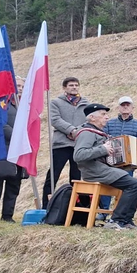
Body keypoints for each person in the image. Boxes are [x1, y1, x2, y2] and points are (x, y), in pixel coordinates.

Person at [73, 103, 137, 230]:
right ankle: (116, 220)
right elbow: (78, 155)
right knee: (134, 185)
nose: (107, 117)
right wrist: (103, 149)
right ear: (92, 118)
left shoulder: (100, 133)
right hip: (94, 171)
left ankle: (126, 220)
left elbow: (108, 158)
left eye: (106, 114)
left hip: (103, 170)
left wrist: (134, 157)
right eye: (103, 114)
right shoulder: (86, 132)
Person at [0, 77, 26, 222]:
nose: (19, 88)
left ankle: (7, 216)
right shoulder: (0, 104)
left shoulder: (23, 105)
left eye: (22, 86)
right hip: (2, 149)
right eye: (17, 85)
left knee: (14, 185)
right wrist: (17, 136)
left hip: (19, 150)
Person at [97, 96, 137, 218]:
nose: (125, 107)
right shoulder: (109, 123)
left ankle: (120, 213)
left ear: (132, 108)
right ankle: (103, 212)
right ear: (118, 108)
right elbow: (104, 138)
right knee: (106, 185)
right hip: (110, 160)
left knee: (128, 186)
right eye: (123, 105)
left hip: (128, 163)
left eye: (127, 105)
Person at [43, 77, 89, 208]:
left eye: (76, 85)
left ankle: (75, 208)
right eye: (71, 85)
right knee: (52, 176)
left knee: (76, 178)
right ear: (64, 88)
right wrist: (71, 130)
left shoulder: (86, 103)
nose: (74, 87)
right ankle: (46, 207)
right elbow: (55, 119)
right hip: (61, 145)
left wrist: (78, 133)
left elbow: (89, 121)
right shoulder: (56, 103)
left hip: (78, 146)